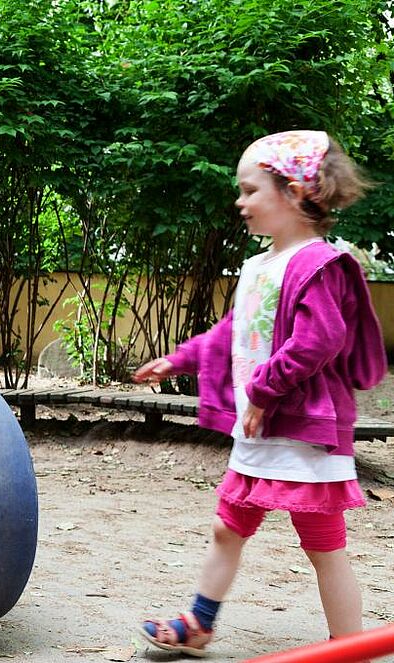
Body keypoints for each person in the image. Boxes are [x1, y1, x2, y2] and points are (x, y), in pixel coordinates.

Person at [134, 130, 385, 656]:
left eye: (250, 190)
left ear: (293, 193)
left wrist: (265, 393)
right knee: (228, 528)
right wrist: (179, 359)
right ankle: (199, 624)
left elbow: (319, 341)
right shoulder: (257, 266)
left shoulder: (317, 264)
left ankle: (349, 647)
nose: (240, 201)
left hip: (302, 433)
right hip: (261, 428)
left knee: (324, 548)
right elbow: (231, 332)